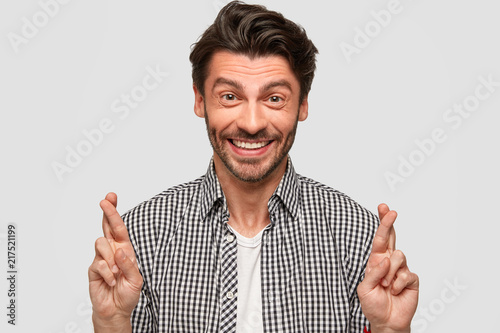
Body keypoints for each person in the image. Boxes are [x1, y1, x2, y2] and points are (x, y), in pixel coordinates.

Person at [88, 2, 419, 332]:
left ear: (302, 104)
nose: (250, 123)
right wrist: (112, 320)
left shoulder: (357, 235)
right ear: (200, 99)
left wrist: (390, 329)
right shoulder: (143, 235)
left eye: (274, 98)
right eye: (230, 96)